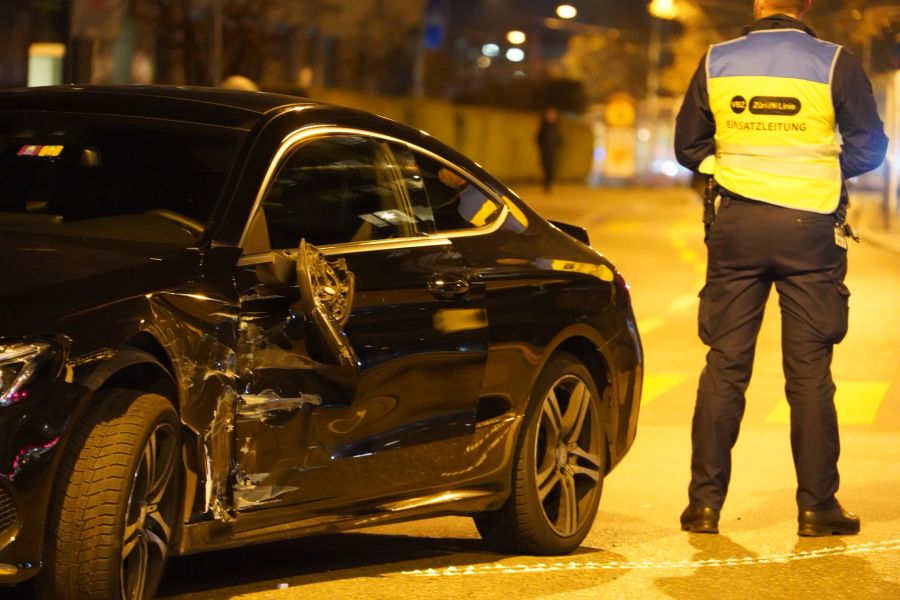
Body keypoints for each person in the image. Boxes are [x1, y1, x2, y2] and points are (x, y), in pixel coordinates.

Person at [674, 0, 888, 537]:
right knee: (810, 374)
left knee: (725, 365)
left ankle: (703, 506)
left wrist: (736, 169)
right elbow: (871, 149)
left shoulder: (716, 61)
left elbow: (688, 147)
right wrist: (821, 171)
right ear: (806, 6)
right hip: (809, 230)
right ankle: (818, 509)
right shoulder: (835, 62)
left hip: (736, 226)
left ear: (758, 7)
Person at [536, 107, 562, 193]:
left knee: (551, 168)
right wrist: (542, 147)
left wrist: (557, 146)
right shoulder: (543, 127)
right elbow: (538, 138)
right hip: (545, 151)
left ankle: (548, 184)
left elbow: (559, 138)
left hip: (553, 151)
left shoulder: (556, 127)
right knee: (545, 167)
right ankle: (546, 184)